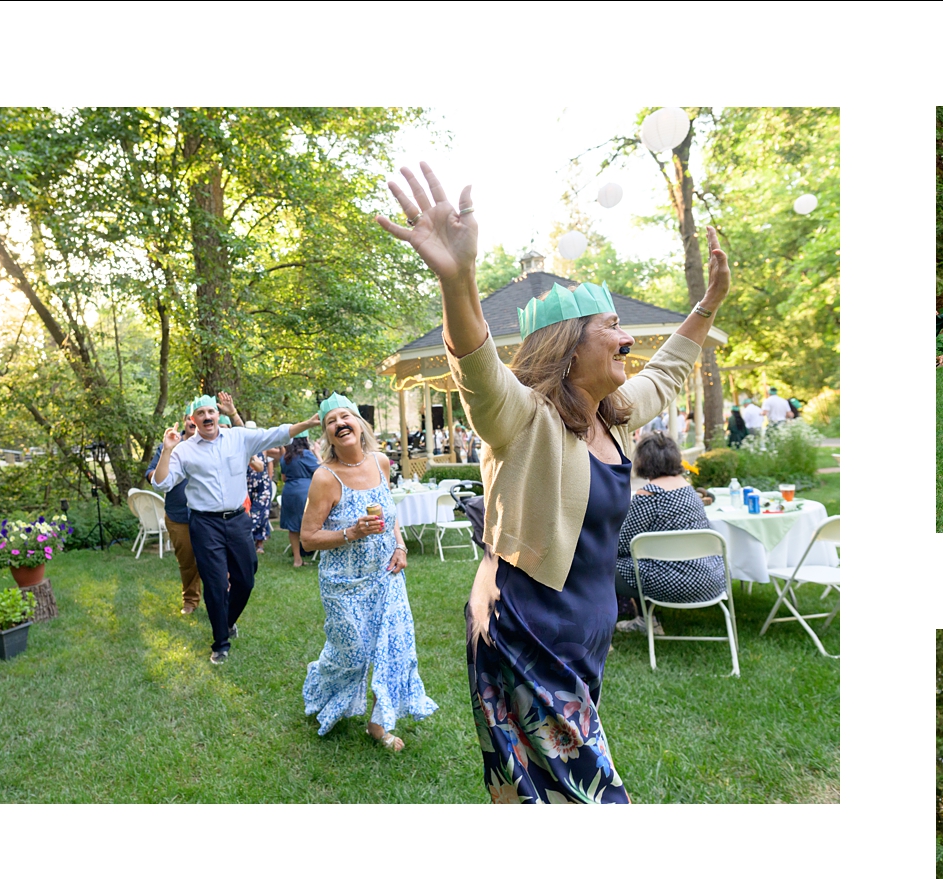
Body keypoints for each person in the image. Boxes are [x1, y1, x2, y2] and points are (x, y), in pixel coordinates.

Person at [379, 162, 728, 804]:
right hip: (526, 631)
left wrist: (706, 305)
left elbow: (672, 367)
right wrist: (458, 282)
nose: (628, 340)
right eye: (612, 328)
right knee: (592, 797)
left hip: (585, 641)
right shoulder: (524, 421)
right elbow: (479, 370)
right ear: (570, 347)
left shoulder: (615, 420)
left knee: (534, 797)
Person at [298, 395, 436, 752]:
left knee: (395, 650)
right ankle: (320, 684)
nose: (340, 423)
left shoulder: (381, 463)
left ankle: (379, 723)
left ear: (360, 424)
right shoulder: (325, 478)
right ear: (328, 434)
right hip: (344, 585)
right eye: (332, 421)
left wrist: (401, 546)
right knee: (352, 654)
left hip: (386, 578)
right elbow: (308, 538)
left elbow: (389, 516)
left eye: (346, 416)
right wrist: (351, 533)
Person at [151, 389, 320, 664]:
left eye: (210, 412)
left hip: (239, 519)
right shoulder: (184, 450)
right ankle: (220, 642)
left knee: (246, 578)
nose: (207, 417)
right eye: (201, 414)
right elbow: (161, 483)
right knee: (216, 584)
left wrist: (308, 424)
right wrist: (167, 450)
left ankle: (227, 621)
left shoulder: (238, 438)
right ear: (193, 419)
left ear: (218, 415)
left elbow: (277, 434)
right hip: (205, 524)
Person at [612, 430, 720, 634]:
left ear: (644, 461)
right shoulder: (688, 489)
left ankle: (638, 622)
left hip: (671, 583)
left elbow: (624, 545)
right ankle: (646, 619)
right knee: (643, 561)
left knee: (605, 565)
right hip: (711, 578)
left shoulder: (649, 495)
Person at [147, 416, 202, 616]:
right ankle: (190, 600)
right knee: (187, 561)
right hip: (178, 515)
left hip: (208, 514)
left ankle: (221, 597)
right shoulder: (170, 444)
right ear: (186, 421)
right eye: (191, 418)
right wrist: (162, 475)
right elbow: (151, 474)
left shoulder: (211, 443)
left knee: (214, 559)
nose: (195, 422)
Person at [280, 430, 318, 567]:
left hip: (289, 491)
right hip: (305, 491)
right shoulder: (306, 455)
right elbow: (321, 471)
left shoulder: (285, 457)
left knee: (293, 526)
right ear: (304, 440)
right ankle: (313, 551)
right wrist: (317, 453)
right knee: (310, 522)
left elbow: (283, 477)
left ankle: (297, 558)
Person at [245, 432, 276, 555]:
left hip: (262, 486)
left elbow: (271, 463)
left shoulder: (263, 447)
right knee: (247, 513)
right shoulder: (242, 446)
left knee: (262, 513)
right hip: (246, 485)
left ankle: (259, 542)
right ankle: (247, 540)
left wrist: (267, 479)